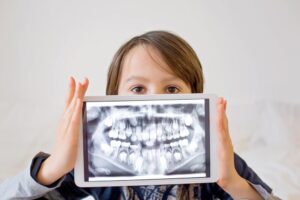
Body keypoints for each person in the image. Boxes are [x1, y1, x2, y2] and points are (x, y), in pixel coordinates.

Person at [0, 30, 280, 200]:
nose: (155, 102)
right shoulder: (96, 162)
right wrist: (54, 167)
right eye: (137, 88)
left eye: (172, 89)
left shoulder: (218, 162)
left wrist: (234, 183)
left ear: (196, 97)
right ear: (113, 100)